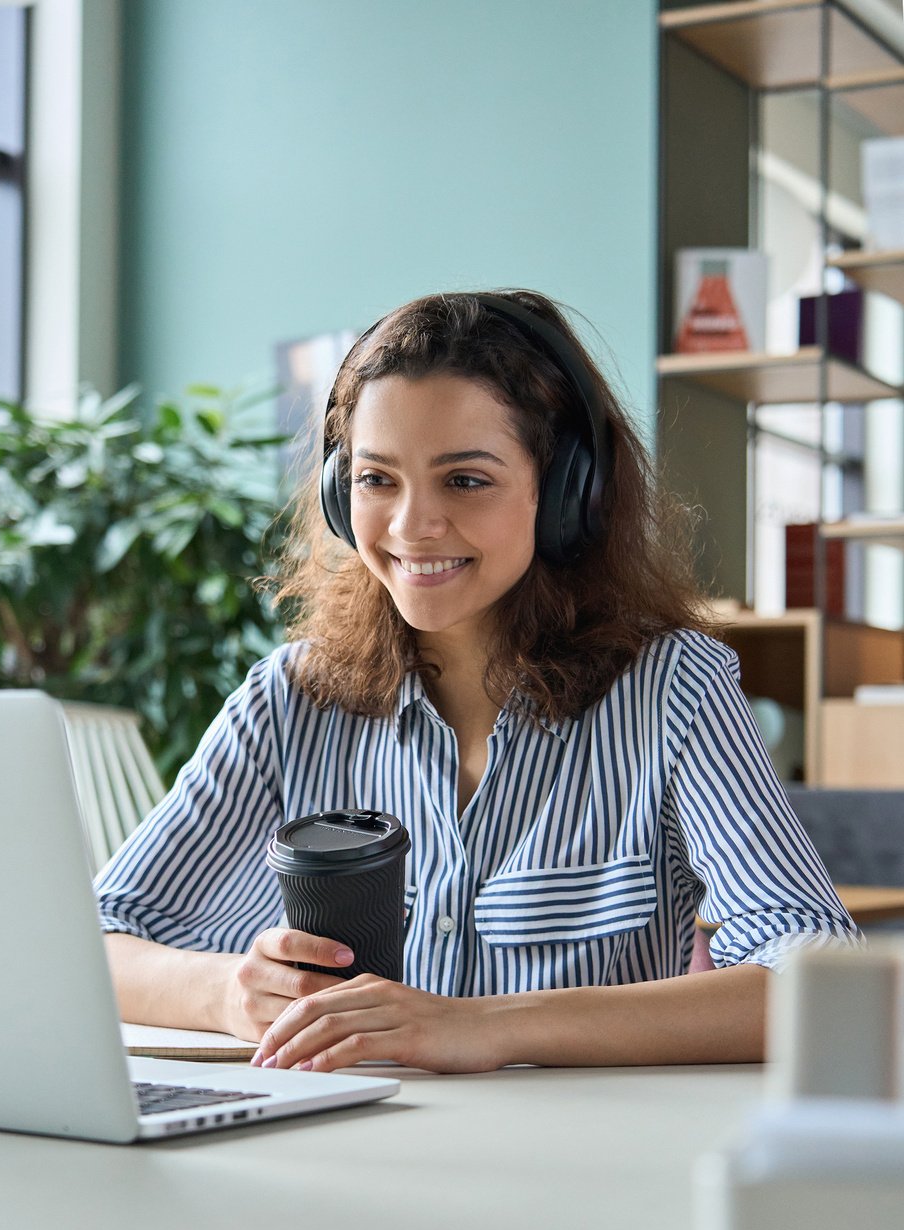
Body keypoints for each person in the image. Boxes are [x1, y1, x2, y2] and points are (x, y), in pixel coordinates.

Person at [97, 288, 859, 1074]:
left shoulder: (674, 688)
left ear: (566, 494)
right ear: (337, 492)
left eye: (465, 480)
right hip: (333, 1165)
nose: (410, 525)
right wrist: (225, 991)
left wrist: (486, 1027)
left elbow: (816, 978)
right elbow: (89, 940)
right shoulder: (288, 699)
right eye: (376, 479)